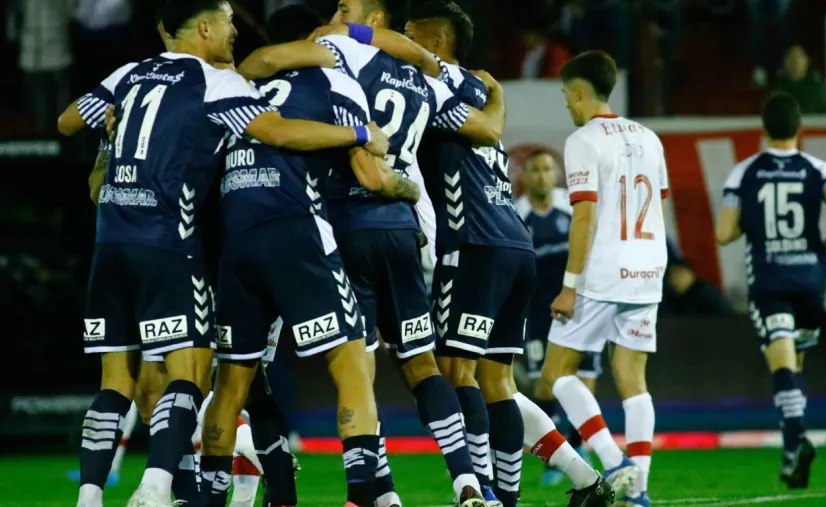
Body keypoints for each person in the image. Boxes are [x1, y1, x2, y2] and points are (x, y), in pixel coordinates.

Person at [73, 1, 389, 506]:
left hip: (168, 243)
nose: (234, 31)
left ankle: (167, 494)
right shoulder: (229, 84)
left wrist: (111, 146)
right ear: (201, 27)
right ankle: (342, 494)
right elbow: (283, 131)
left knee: (209, 383)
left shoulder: (133, 78)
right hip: (213, 243)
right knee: (227, 376)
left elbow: (71, 125)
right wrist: (363, 136)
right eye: (226, 21)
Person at [238, 2, 507, 506]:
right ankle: (468, 483)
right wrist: (496, 97)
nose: (335, 15)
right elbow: (487, 128)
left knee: (357, 374)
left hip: (344, 225)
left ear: (373, 19)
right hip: (402, 230)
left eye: (346, 8)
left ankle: (378, 495)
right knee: (423, 365)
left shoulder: (342, 54)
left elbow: (266, 62)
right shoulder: (427, 80)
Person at [407, 4, 614, 507]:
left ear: (436, 42)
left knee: (456, 374)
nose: (399, 40)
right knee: (496, 381)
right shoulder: (479, 90)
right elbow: (490, 124)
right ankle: (577, 479)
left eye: (409, 33)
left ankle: (483, 491)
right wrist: (498, 97)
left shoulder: (428, 87)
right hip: (514, 244)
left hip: (473, 244)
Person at [539, 50, 666, 507]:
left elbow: (585, 217)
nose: (565, 104)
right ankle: (640, 489)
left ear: (579, 91)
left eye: (565, 95)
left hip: (604, 271)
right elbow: (658, 205)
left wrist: (569, 285)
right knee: (633, 378)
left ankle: (612, 462)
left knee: (555, 372)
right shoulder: (650, 138)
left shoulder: (583, 140)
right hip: (648, 269)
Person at [715, 92, 826, 489]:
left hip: (771, 281)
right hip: (810, 280)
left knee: (782, 366)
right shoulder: (819, 168)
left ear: (763, 129)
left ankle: (795, 443)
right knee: (795, 367)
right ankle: (791, 456)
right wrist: (823, 247)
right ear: (800, 128)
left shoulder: (745, 172)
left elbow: (723, 233)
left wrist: (754, 224)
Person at [515, 149, 602, 486]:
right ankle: (555, 458)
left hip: (580, 308)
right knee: (544, 384)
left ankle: (578, 447)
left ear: (556, 174)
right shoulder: (517, 213)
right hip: (537, 311)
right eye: (534, 170)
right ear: (525, 177)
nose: (541, 176)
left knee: (585, 380)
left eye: (546, 169)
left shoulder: (573, 207)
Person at [774, 46, 826, 115]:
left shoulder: (818, 87)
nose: (795, 62)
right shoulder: (779, 90)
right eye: (791, 58)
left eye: (799, 57)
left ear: (807, 61)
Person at [660, 259, 735, 316]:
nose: (675, 279)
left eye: (680, 273)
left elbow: (728, 316)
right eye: (671, 275)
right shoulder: (668, 297)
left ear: (691, 275)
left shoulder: (705, 292)